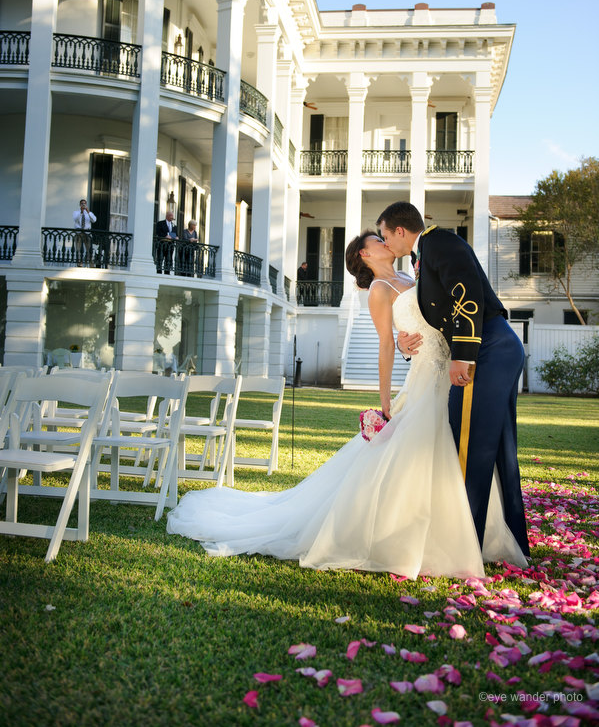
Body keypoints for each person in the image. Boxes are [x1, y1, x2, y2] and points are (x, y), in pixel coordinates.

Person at [166, 230, 527, 578]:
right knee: (419, 451)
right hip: (423, 378)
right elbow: (386, 344)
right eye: (378, 240)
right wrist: (386, 401)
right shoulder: (379, 290)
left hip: (445, 369)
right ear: (365, 255)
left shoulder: (410, 273)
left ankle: (459, 528)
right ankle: (416, 537)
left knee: (451, 450)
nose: (386, 242)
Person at [376, 201, 530, 559]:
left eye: (386, 236)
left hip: (487, 347)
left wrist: (464, 354)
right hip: (495, 346)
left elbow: (467, 295)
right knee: (499, 450)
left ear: (401, 231)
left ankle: (464, 545)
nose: (386, 244)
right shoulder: (426, 253)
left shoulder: (439, 242)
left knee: (468, 445)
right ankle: (508, 538)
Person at [72, 198, 96, 264]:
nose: (83, 205)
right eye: (82, 203)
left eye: (84, 203)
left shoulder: (89, 213)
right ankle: (79, 262)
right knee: (78, 248)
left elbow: (94, 220)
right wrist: (81, 212)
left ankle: (90, 262)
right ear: (80, 205)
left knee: (89, 248)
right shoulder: (76, 213)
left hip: (87, 232)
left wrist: (88, 212)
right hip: (79, 232)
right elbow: (76, 220)